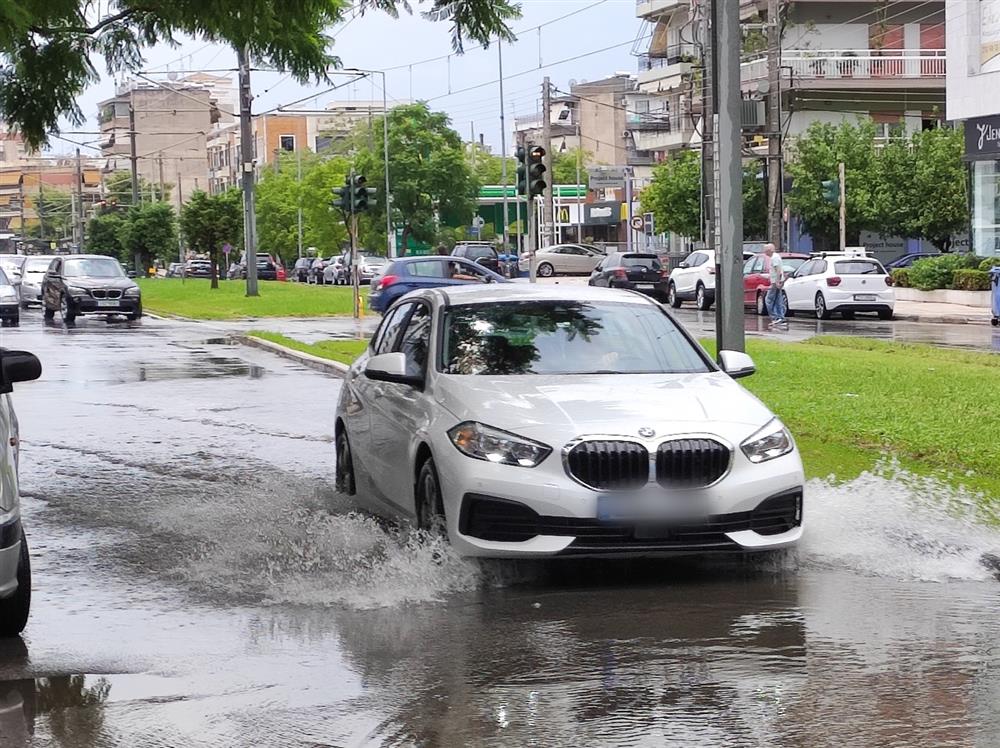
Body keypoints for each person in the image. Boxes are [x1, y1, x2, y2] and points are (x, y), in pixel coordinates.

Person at [763, 243, 788, 330]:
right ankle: (780, 318)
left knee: (768, 300)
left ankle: (776, 317)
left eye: (765, 250)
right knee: (778, 300)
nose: (765, 252)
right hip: (777, 281)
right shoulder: (775, 257)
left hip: (775, 283)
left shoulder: (774, 258)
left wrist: (777, 281)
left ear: (770, 250)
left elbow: (778, 271)